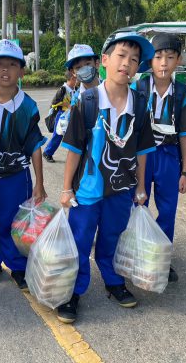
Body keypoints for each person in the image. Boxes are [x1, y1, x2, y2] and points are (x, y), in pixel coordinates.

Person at [57, 32, 156, 323]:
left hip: (122, 189)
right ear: (104, 60)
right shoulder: (87, 100)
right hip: (88, 189)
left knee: (113, 236)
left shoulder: (140, 104)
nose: (127, 63)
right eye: (121, 56)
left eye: (134, 59)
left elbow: (142, 150)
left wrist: (140, 186)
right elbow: (74, 149)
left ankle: (113, 281)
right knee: (80, 240)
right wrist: (66, 188)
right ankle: (73, 291)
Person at [0, 39, 47, 290]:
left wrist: (40, 183)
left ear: (22, 71)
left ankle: (18, 265)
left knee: (15, 221)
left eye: (12, 64)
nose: (5, 70)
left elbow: (35, 145)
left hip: (17, 176)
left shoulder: (28, 106)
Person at [132, 33, 186, 282]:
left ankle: (161, 259)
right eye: (158, 57)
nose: (164, 63)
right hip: (141, 156)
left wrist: (185, 172)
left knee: (168, 210)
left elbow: (185, 136)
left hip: (168, 156)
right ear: (150, 61)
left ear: (178, 60)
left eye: (170, 57)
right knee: (137, 204)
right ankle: (135, 253)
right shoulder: (138, 89)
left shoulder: (182, 93)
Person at [43, 70, 77, 163]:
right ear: (72, 78)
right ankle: (47, 153)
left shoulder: (75, 89)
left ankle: (76, 157)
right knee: (58, 135)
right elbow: (55, 103)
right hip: (62, 115)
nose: (77, 80)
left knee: (74, 136)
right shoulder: (63, 89)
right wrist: (67, 105)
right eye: (76, 78)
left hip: (71, 114)